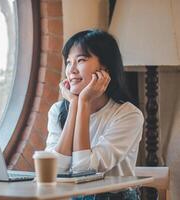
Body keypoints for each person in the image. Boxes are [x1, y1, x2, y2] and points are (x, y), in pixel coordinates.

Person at [45, 29, 143, 200]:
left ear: (104, 68)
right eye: (68, 62)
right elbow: (54, 171)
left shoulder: (128, 115)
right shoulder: (57, 111)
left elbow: (84, 172)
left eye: (81, 60)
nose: (71, 70)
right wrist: (75, 105)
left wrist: (82, 102)